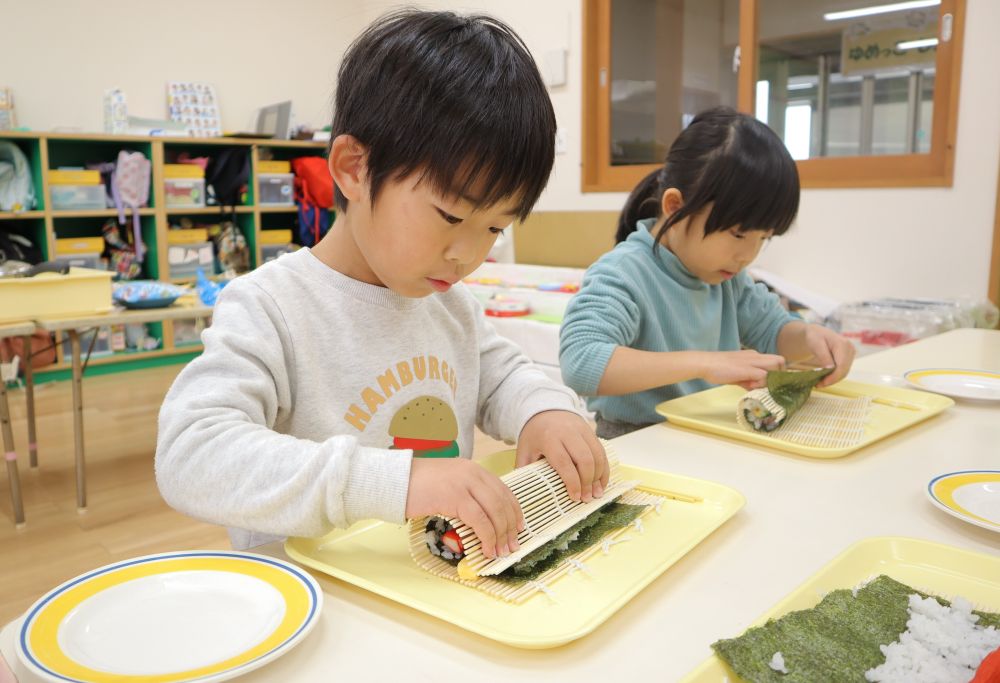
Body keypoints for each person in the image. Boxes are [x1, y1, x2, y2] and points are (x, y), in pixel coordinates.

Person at [156, 10, 607, 560]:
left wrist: (544, 410)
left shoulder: (449, 304)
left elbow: (501, 375)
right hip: (314, 600)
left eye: (494, 227)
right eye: (449, 215)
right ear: (353, 168)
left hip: (431, 580)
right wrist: (396, 483)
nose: (466, 255)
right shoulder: (271, 306)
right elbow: (191, 454)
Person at [559, 106, 855, 439]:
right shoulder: (625, 272)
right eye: (739, 234)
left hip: (711, 432)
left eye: (764, 238)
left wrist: (811, 338)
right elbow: (580, 362)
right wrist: (705, 363)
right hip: (638, 440)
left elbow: (773, 332)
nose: (748, 255)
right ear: (675, 207)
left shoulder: (728, 279)